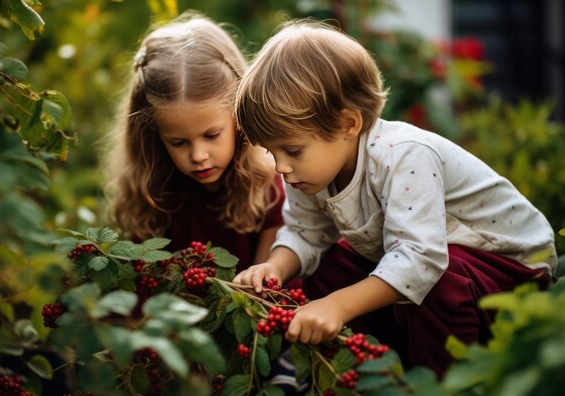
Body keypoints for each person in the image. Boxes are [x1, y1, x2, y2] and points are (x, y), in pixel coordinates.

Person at [233, 20, 557, 376]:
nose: (280, 167)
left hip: (511, 271)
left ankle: (446, 388)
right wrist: (275, 267)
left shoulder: (403, 156)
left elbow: (421, 259)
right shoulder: (313, 173)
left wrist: (339, 305)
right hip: (435, 260)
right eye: (271, 151)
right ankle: (372, 371)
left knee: (436, 283)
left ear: (348, 124)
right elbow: (306, 232)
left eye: (292, 150)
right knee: (326, 268)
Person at [103, 12, 284, 271]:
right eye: (178, 142)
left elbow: (267, 286)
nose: (198, 155)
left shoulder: (268, 182)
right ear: (153, 136)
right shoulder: (155, 190)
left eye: (211, 135)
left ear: (239, 117)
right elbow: (147, 284)